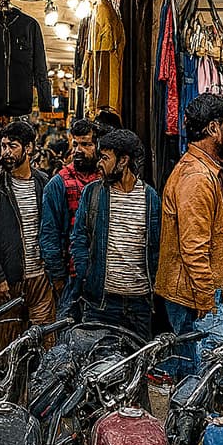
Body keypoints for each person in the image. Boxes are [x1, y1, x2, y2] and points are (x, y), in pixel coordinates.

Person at [155, 94, 223, 368]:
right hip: (197, 299)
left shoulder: (206, 171)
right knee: (204, 380)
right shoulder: (197, 177)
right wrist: (208, 303)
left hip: (204, 296)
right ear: (213, 129)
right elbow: (193, 248)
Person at [69, 128, 160, 339]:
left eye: (105, 158)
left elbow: (156, 247)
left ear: (123, 161)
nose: (99, 163)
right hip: (101, 303)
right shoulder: (93, 193)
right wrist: (86, 275)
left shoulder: (149, 197)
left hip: (139, 305)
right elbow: (79, 238)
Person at [0, 120, 55, 354]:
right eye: (3, 146)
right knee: (4, 349)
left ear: (28, 148)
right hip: (7, 280)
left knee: (43, 346)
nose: (6, 152)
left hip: (40, 278)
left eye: (13, 146)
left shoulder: (43, 183)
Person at [40, 119, 100, 300]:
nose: (78, 150)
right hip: (71, 277)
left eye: (86, 144)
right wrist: (58, 277)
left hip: (103, 275)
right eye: (76, 144)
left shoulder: (105, 179)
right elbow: (49, 234)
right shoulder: (59, 183)